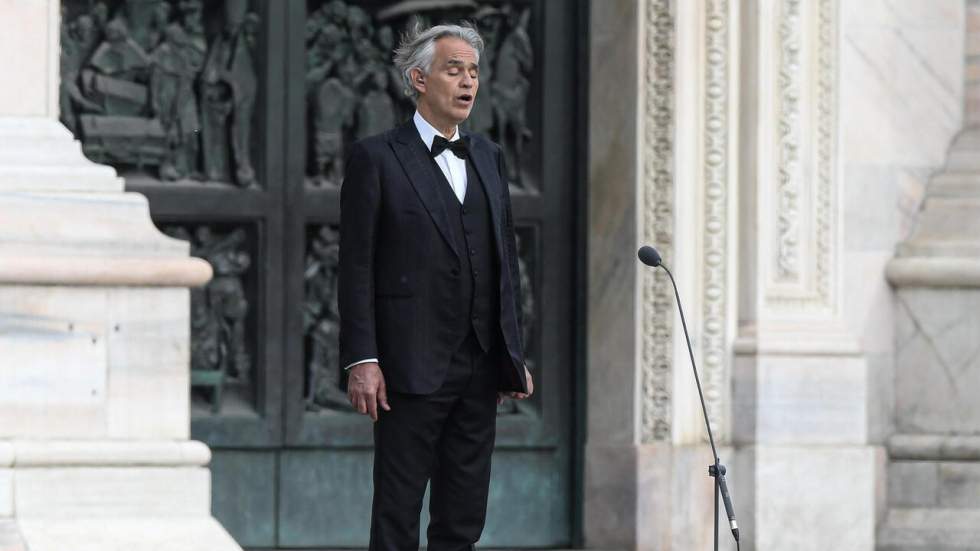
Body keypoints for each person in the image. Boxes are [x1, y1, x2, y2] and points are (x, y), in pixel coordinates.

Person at [338, 22, 533, 551]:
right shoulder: (375, 157)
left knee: (463, 516)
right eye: (454, 70)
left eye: (474, 72)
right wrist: (362, 358)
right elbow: (355, 266)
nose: (468, 81)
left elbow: (503, 262)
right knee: (397, 516)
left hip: (479, 367)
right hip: (407, 367)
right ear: (418, 79)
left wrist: (511, 354)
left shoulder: (490, 157)